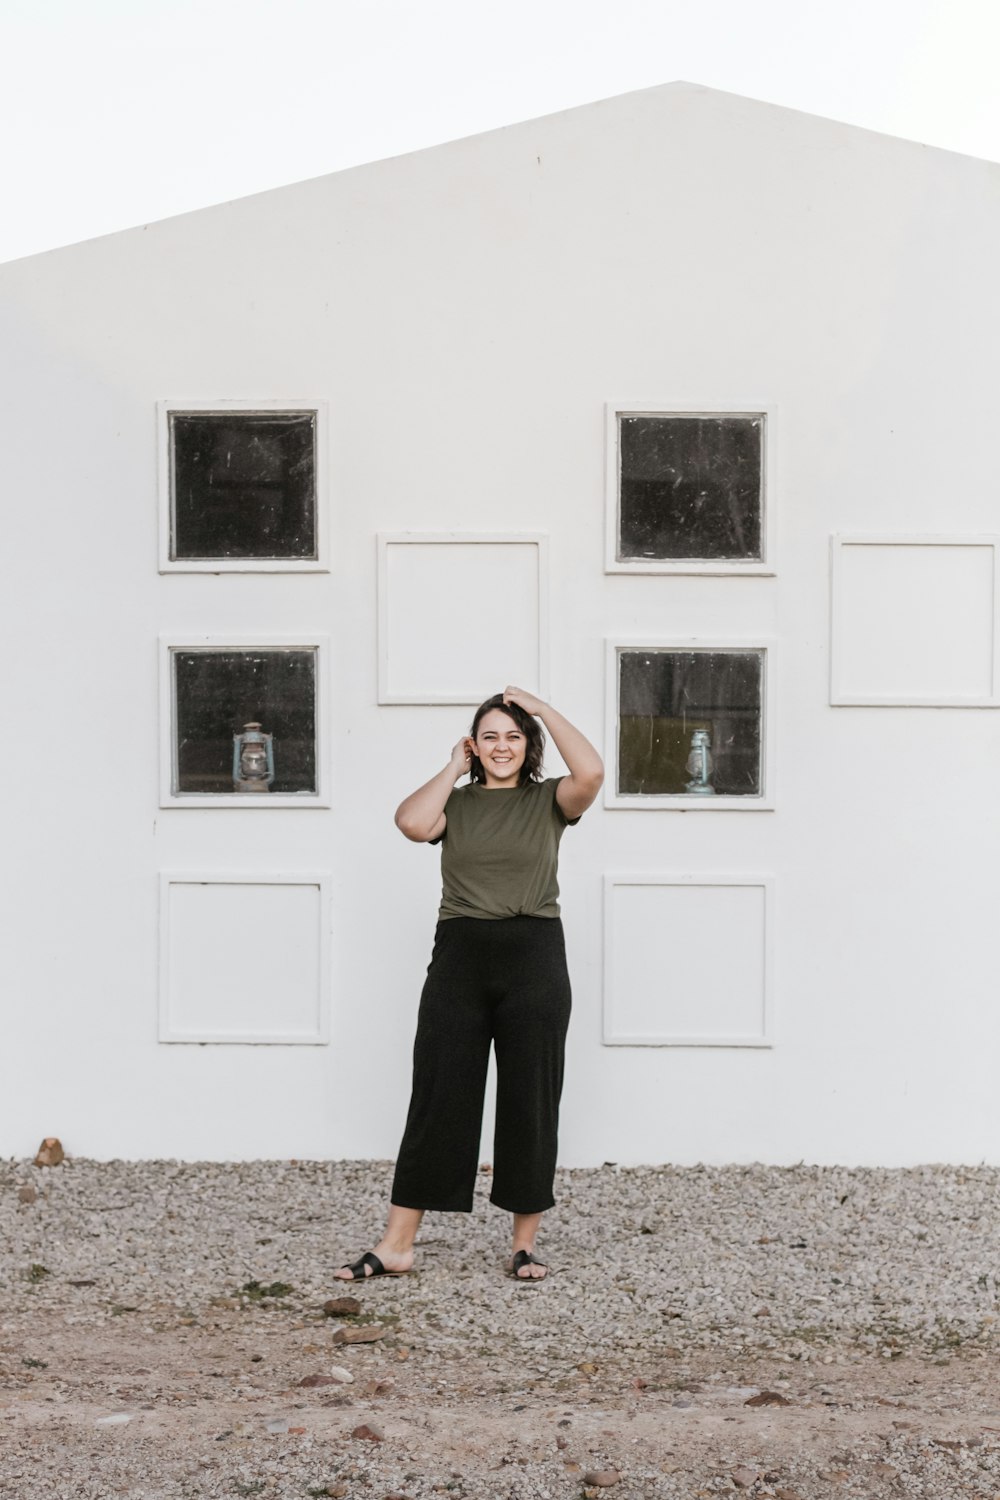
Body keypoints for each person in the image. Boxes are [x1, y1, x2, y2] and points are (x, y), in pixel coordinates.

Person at [335, 685, 603, 1283]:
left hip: (534, 953)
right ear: (474, 746)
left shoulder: (550, 800)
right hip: (460, 954)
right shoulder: (454, 804)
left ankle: (524, 1245)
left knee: (530, 1097)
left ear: (527, 744)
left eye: (513, 736)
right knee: (439, 1093)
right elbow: (410, 823)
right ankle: (398, 1243)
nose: (502, 746)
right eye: (489, 737)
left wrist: (543, 711)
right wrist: (452, 766)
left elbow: (592, 770)